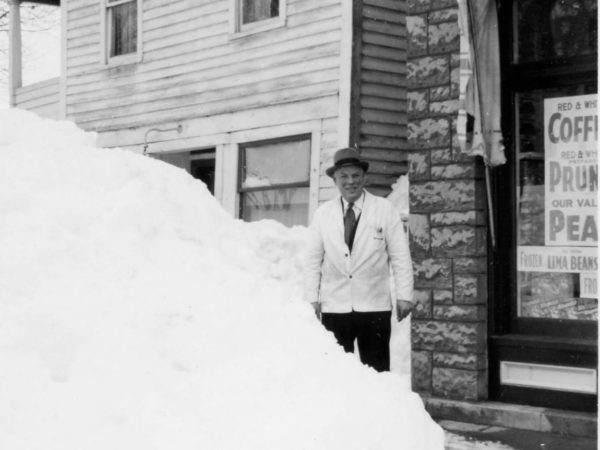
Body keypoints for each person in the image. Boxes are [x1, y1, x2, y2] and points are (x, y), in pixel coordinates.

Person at [304, 147, 414, 372]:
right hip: (336, 308)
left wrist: (404, 296)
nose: (350, 182)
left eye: (355, 175)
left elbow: (400, 256)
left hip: (374, 307)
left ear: (364, 177)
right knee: (336, 374)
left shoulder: (384, 209)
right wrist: (311, 299)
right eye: (343, 176)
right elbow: (312, 261)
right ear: (335, 180)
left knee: (376, 374)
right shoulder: (323, 214)